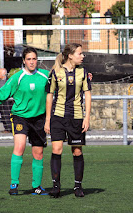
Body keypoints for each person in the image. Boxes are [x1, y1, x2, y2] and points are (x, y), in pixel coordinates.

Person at [0, 47, 49, 195]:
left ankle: (36, 187)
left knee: (38, 153)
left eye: (34, 59)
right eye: (29, 59)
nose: (32, 62)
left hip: (39, 118)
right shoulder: (17, 77)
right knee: (19, 147)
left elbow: (62, 83)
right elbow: (3, 92)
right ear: (24, 61)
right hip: (20, 117)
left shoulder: (45, 76)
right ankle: (14, 184)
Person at [44, 43, 92, 198]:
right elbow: (49, 95)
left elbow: (88, 94)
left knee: (77, 150)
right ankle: (56, 187)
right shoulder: (55, 72)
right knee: (56, 149)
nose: (82, 56)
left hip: (76, 117)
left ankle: (78, 187)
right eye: (80, 53)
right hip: (58, 117)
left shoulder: (83, 72)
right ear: (70, 55)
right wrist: (47, 119)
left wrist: (87, 117)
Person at [0, 68, 13, 133]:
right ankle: (6, 127)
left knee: (7, 115)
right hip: (0, 101)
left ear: (3, 74)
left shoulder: (8, 81)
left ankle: (9, 128)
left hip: (7, 102)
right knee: (2, 115)